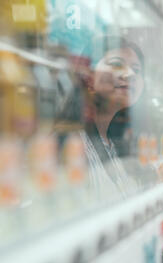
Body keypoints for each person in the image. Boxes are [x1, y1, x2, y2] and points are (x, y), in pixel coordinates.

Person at [55, 35, 151, 201]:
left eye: (136, 70)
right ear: (88, 74)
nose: (129, 75)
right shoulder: (71, 143)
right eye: (116, 64)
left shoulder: (111, 142)